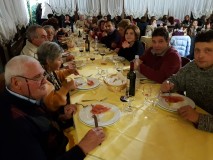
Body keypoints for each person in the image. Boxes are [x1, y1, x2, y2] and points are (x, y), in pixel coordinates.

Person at [0, 55, 105, 160]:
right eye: (37, 77)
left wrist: (62, 118)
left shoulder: (26, 96)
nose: (45, 81)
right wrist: (83, 147)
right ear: (17, 83)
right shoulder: (13, 126)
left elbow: (42, 124)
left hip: (61, 140)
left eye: (43, 75)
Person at [160, 30, 213, 133]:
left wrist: (198, 118)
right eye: (197, 50)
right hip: (186, 123)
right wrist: (168, 84)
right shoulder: (192, 66)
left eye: (207, 50)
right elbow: (175, 80)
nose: (200, 55)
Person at [37, 41, 78, 112]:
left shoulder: (47, 69)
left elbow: (56, 75)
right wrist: (66, 88)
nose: (62, 61)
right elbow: (52, 104)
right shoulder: (42, 78)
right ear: (49, 61)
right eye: (59, 59)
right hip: (58, 113)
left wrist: (69, 71)